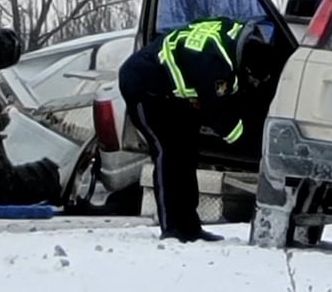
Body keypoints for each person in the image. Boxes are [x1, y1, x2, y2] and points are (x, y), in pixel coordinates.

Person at [118, 16, 276, 243]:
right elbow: (221, 120)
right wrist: (256, 147)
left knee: (187, 154)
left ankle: (190, 227)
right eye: (253, 79)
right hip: (144, 86)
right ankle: (172, 227)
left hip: (177, 94)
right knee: (168, 153)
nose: (252, 84)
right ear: (247, 66)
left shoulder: (235, 35)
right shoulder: (217, 65)